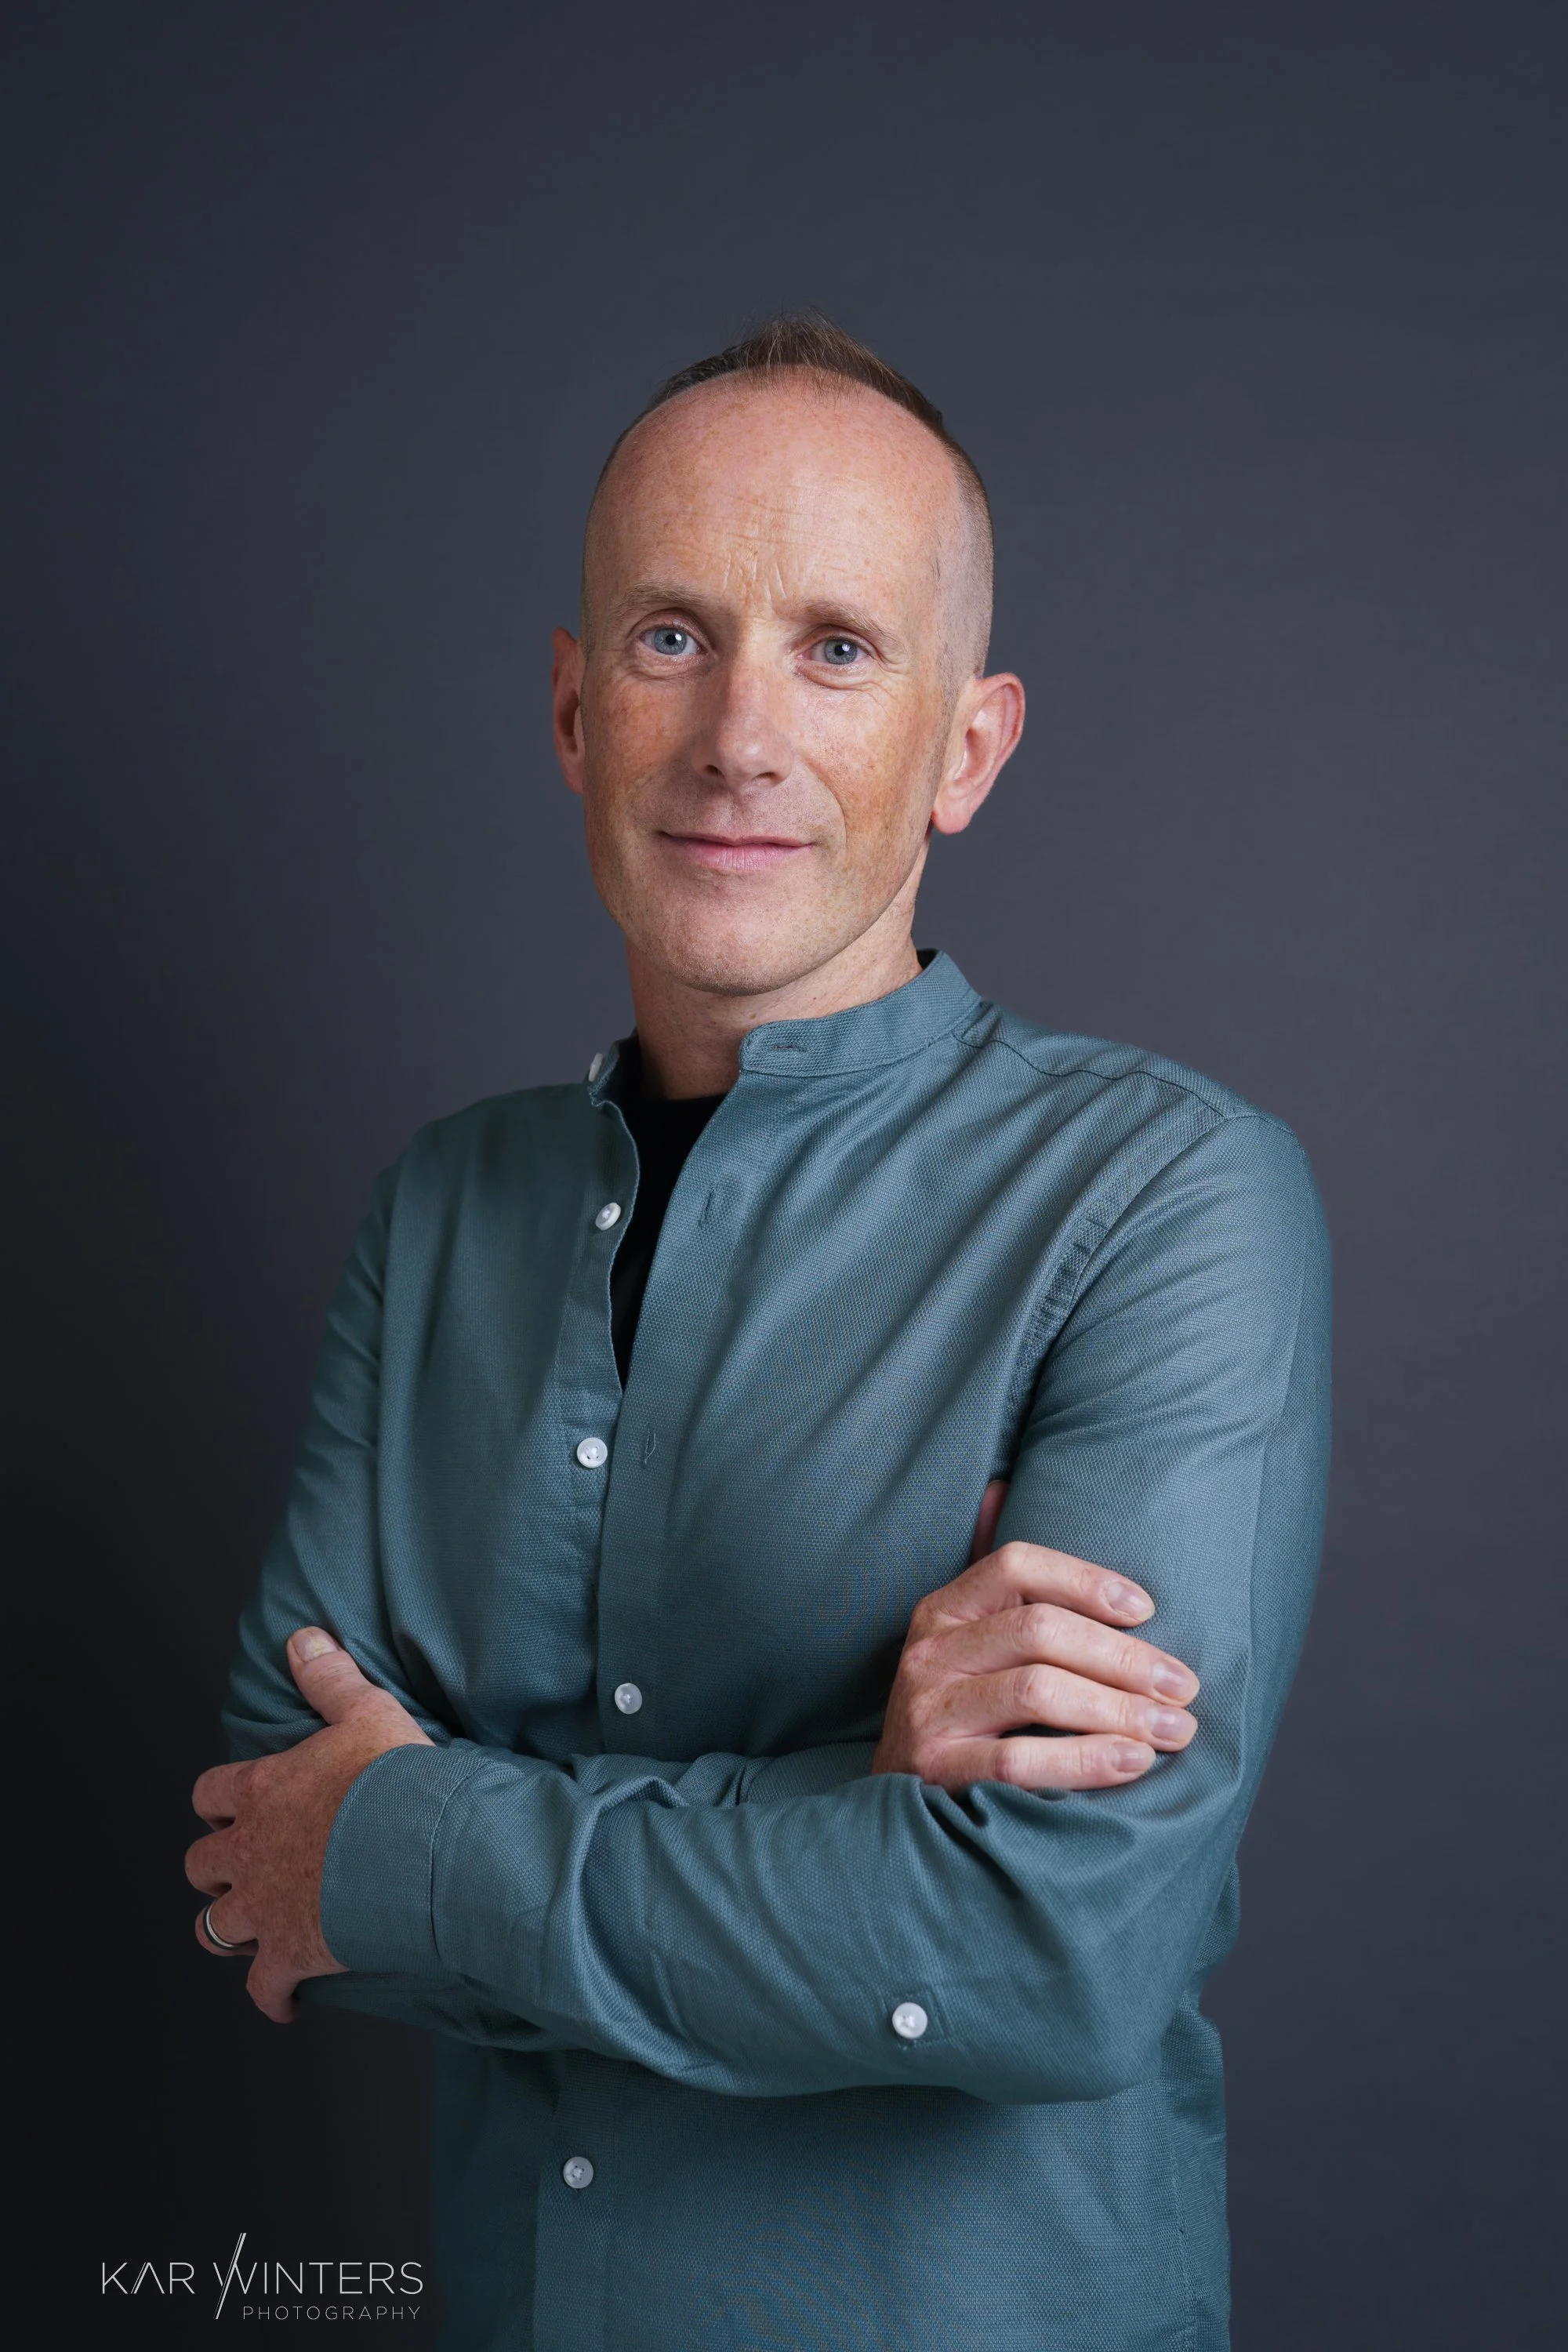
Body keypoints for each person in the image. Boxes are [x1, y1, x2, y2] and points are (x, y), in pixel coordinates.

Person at [187, 314, 1330, 2352]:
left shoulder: (1168, 1199)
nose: (739, 734)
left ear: (965, 747)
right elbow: (280, 1852)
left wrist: (418, 1835)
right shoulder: (442, 1208)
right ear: (566, 710)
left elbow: (1053, 1949)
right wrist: (849, 1815)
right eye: (669, 638)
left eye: (834, 647)